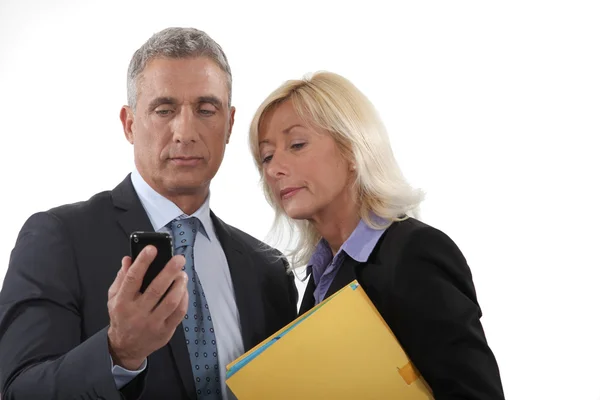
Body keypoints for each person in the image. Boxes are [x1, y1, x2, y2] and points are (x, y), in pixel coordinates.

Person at [0, 27, 298, 400]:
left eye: (206, 110)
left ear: (229, 125)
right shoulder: (58, 239)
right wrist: (119, 352)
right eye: (164, 109)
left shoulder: (268, 269)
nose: (185, 132)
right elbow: (17, 391)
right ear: (129, 124)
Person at [249, 71, 505, 399]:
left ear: (352, 149)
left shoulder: (415, 253)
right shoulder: (319, 277)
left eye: (296, 144)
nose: (273, 168)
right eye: (267, 156)